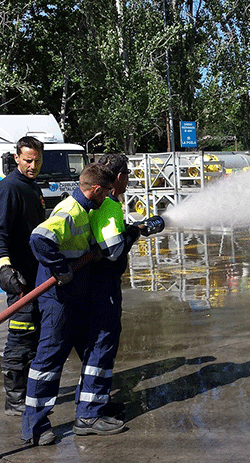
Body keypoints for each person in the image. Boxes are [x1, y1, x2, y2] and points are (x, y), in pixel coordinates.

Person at [21, 163, 115, 445]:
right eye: (107, 191)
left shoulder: (85, 210)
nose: (109, 196)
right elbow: (39, 238)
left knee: (90, 351)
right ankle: (34, 427)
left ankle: (89, 415)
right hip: (57, 300)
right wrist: (60, 268)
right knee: (48, 361)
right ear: (96, 190)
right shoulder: (69, 211)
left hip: (73, 297)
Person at [74, 153, 143, 436]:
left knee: (97, 347)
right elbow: (113, 251)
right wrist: (134, 234)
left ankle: (95, 404)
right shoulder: (110, 205)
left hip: (94, 284)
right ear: (118, 178)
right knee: (102, 346)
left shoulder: (99, 203)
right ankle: (89, 416)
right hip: (103, 287)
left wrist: (128, 230)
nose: (128, 181)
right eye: (127, 175)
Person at [0, 136, 46, 416]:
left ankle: (30, 392)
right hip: (20, 279)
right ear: (16, 157)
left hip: (38, 277)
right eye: (27, 160)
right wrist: (4, 267)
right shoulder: (8, 189)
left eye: (36, 160)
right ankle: (14, 401)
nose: (32, 165)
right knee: (21, 337)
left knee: (36, 337)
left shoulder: (32, 188)